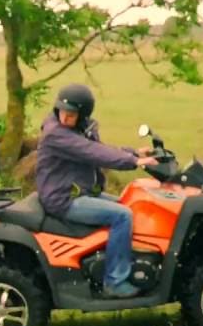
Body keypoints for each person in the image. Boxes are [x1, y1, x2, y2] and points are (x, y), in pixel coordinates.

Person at [35, 83, 158, 298]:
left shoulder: (80, 129)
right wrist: (134, 161)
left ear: (82, 115)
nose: (65, 118)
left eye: (71, 114)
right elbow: (93, 153)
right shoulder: (57, 134)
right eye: (62, 112)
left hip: (80, 193)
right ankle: (115, 281)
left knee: (130, 204)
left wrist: (133, 152)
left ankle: (130, 264)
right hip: (64, 199)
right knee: (122, 215)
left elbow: (100, 148)